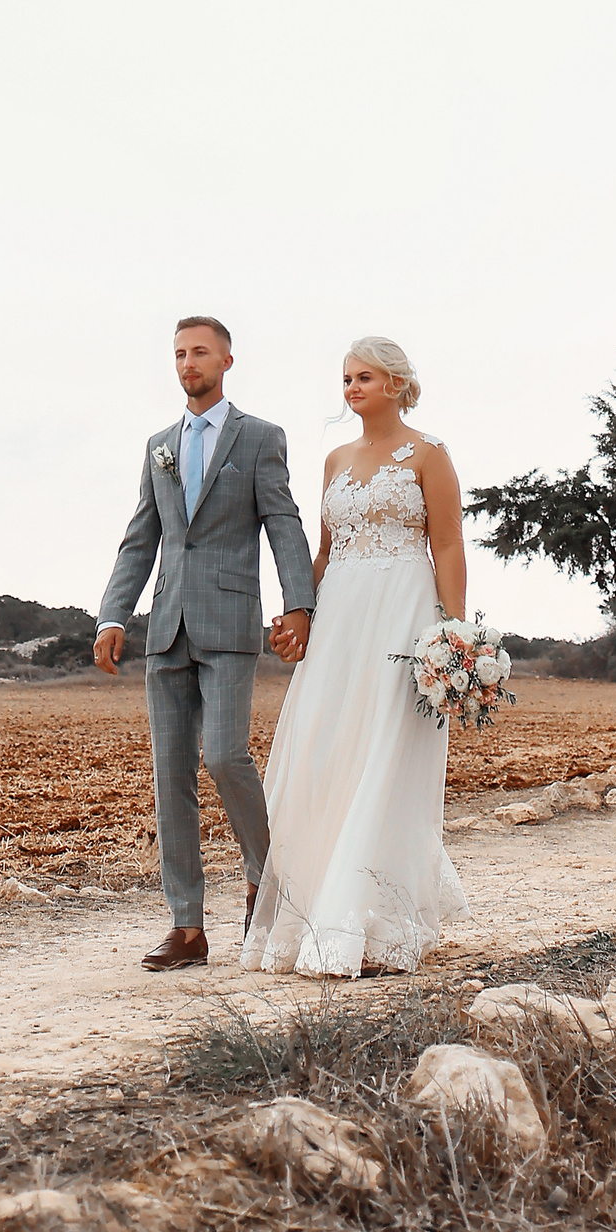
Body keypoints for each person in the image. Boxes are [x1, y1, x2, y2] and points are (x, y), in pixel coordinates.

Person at [239, 336, 468, 977]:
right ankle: (315, 910)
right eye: (346, 379)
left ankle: (376, 921)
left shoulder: (429, 454)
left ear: (396, 383)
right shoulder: (335, 459)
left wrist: (454, 634)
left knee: (384, 752)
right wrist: (300, 613)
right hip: (340, 617)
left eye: (364, 377)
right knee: (326, 748)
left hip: (402, 613)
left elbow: (449, 545)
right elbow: (325, 551)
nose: (351, 388)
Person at [94, 316, 318, 972]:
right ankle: (186, 926)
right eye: (179, 354)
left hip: (228, 623)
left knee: (223, 756)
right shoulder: (158, 446)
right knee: (171, 776)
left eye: (199, 352)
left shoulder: (260, 438)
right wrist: (112, 617)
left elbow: (283, 522)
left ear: (225, 361)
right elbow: (141, 537)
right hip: (167, 628)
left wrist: (299, 606)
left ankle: (263, 883)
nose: (187, 363)